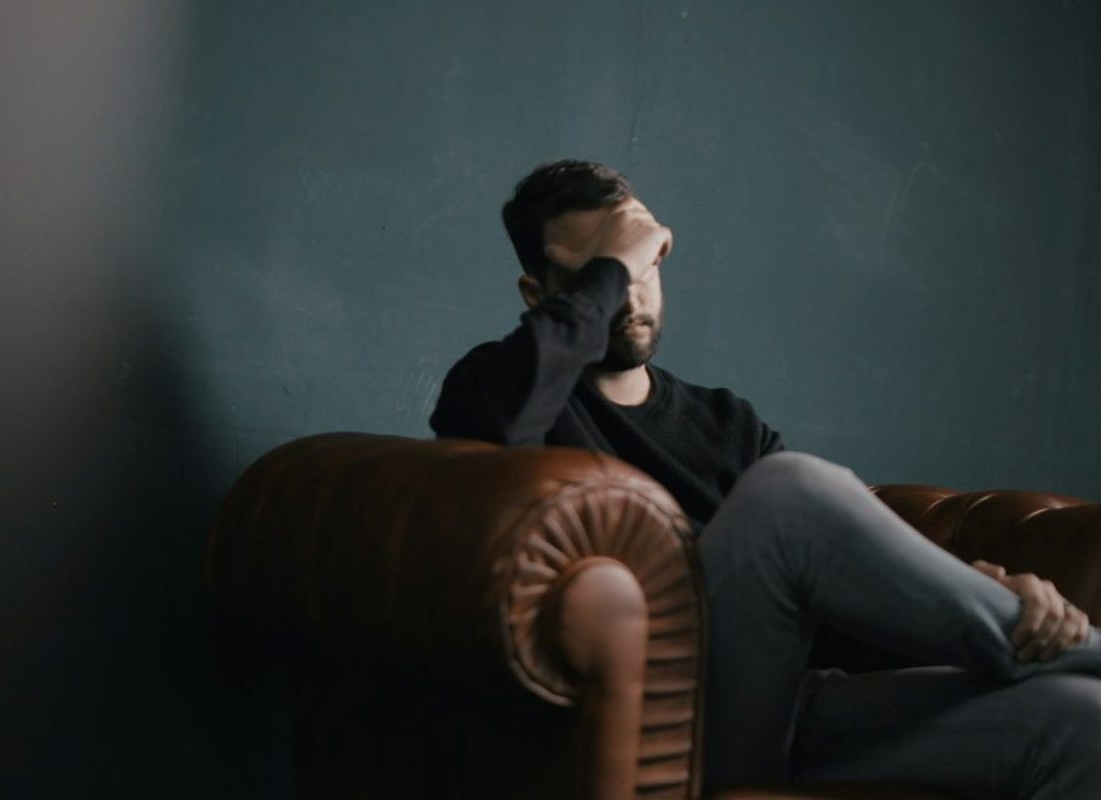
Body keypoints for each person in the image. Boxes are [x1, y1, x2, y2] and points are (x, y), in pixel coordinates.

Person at [430, 160, 1101, 797]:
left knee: (1081, 720)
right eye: (606, 272)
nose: (631, 293)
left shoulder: (726, 422)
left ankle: (1042, 649)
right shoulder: (497, 387)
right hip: (669, 720)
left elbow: (837, 601)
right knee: (787, 492)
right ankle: (1048, 645)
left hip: (788, 709)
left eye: (647, 263)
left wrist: (973, 586)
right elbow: (497, 426)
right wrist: (617, 259)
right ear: (538, 294)